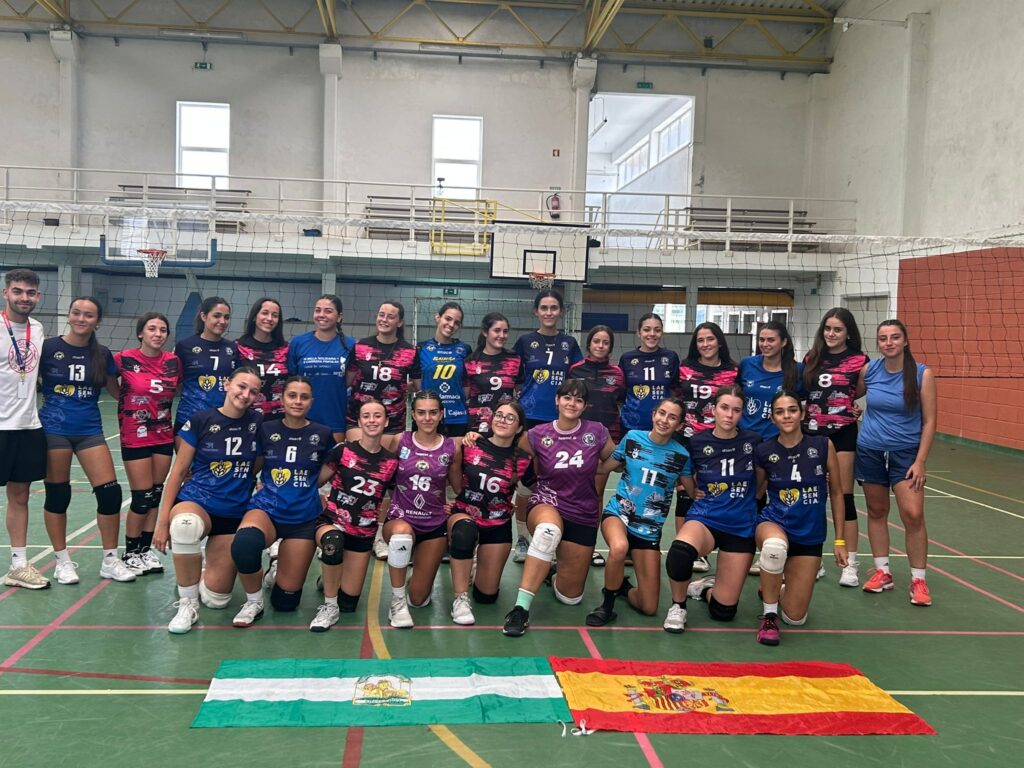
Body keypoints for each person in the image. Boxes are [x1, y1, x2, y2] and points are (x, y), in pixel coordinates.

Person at [500, 379, 616, 637]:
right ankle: (520, 609)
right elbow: (505, 449)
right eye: (567, 397)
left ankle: (549, 572)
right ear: (557, 400)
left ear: (585, 406)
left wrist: (608, 466)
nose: (572, 403)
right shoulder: (536, 434)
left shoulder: (596, 431)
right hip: (548, 501)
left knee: (570, 597)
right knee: (547, 532)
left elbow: (616, 460)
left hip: (583, 511)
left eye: (578, 400)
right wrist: (475, 439)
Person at [152, 367, 263, 634]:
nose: (245, 394)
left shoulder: (258, 424)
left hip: (233, 511)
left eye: (253, 391)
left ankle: (198, 573)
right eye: (241, 386)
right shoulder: (201, 420)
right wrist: (162, 523)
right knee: (185, 525)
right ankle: (187, 604)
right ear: (227, 384)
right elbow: (178, 472)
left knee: (217, 599)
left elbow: (257, 465)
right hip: (197, 500)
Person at [38, 297, 132, 584]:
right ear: (69, 316)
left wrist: (151, 399)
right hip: (54, 429)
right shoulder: (48, 348)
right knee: (58, 495)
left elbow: (117, 391)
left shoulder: (102, 354)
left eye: (88, 315)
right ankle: (62, 561)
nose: (81, 319)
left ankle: (110, 560)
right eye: (76, 313)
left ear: (97, 322)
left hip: (89, 430)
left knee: (110, 493)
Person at [229, 376, 334, 627]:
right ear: (282, 399)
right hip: (267, 509)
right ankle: (254, 601)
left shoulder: (322, 433)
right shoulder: (266, 429)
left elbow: (331, 466)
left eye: (304, 397)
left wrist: (311, 488)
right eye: (292, 396)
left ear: (311, 402)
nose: (298, 401)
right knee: (245, 544)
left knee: (285, 603)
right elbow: (254, 465)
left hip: (303, 517)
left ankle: (277, 569)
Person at [662, 384, 759, 634]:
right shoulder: (696, 443)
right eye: (724, 408)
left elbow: (771, 473)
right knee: (680, 553)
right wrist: (690, 489)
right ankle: (678, 606)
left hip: (740, 526)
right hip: (706, 518)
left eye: (736, 410)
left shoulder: (754, 441)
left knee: (723, 612)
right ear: (713, 410)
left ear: (742, 413)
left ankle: (704, 588)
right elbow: (682, 475)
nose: (729, 414)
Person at [586, 398, 690, 626]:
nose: (665, 420)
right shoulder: (633, 438)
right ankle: (607, 606)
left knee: (649, 607)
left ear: (680, 425)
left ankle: (623, 587)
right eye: (661, 413)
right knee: (619, 547)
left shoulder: (681, 456)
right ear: (653, 414)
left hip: (649, 530)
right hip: (619, 514)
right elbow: (604, 468)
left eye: (672, 417)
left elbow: (692, 490)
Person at [753, 391, 846, 645]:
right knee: (774, 547)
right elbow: (757, 492)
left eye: (792, 410)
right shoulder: (764, 450)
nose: (787, 416)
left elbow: (837, 493)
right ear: (772, 418)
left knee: (795, 617)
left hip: (810, 533)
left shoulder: (823, 445)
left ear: (802, 413)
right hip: (774, 522)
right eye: (780, 412)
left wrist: (840, 541)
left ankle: (775, 587)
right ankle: (769, 616)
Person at [856, 320, 937, 607]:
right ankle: (883, 572)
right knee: (877, 511)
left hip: (906, 453)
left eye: (894, 337)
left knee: (913, 514)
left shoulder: (922, 374)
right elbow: (850, 396)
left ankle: (918, 579)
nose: (888, 343)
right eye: (883, 338)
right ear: (878, 343)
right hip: (870, 449)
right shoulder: (869, 371)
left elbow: (930, 421)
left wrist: (920, 461)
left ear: (905, 341)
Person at [308, 399, 398, 632]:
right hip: (333, 524)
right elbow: (315, 482)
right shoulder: (343, 451)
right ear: (359, 421)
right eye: (366, 416)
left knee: (349, 604)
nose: (372, 420)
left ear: (386, 421)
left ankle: (329, 577)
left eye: (377, 416)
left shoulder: (391, 462)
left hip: (363, 532)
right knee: (333, 543)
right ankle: (329, 606)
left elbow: (397, 497)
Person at [510, 290, 583, 562]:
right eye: (544, 308)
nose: (549, 312)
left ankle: (550, 537)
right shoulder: (525, 342)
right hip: (530, 417)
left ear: (561, 311)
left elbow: (577, 382)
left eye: (554, 308)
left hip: (561, 421)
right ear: (536, 311)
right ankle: (522, 538)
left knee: (555, 479)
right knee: (526, 481)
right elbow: (515, 378)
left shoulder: (569, 343)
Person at [447, 401, 531, 625]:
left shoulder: (523, 459)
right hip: (465, 515)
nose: (503, 420)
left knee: (486, 596)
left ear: (519, 428)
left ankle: (476, 565)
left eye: (510, 418)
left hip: (497, 523)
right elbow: (442, 470)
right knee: (464, 534)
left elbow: (537, 488)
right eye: (499, 415)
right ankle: (460, 598)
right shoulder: (471, 444)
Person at [381, 390, 460, 628]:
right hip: (401, 519)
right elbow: (384, 477)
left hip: (433, 524)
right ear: (413, 415)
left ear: (441, 414)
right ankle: (396, 602)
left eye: (433, 412)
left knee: (418, 599)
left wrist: (455, 507)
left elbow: (459, 487)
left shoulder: (451, 447)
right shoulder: (400, 440)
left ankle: (414, 578)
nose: (427, 418)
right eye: (422, 412)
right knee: (402, 535)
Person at [803, 308, 869, 587]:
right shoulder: (812, 357)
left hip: (843, 432)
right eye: (828, 328)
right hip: (812, 432)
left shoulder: (860, 360)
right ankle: (813, 560)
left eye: (838, 329)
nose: (831, 333)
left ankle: (850, 563)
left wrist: (848, 406)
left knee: (844, 496)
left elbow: (859, 391)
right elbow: (805, 392)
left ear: (848, 332)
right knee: (814, 497)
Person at [116, 312, 181, 576]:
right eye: (152, 329)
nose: (158, 334)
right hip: (135, 434)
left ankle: (144, 550)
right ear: (141, 332)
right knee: (141, 497)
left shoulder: (173, 362)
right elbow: (109, 381)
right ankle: (131, 552)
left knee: (155, 493)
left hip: (163, 434)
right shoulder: (124, 359)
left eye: (163, 330)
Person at [738, 320, 804, 576]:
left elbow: (806, 403)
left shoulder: (795, 371)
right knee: (749, 496)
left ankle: (780, 550)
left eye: (771, 340)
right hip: (746, 441)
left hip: (778, 444)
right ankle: (750, 548)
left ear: (783, 342)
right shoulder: (747, 365)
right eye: (762, 340)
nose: (765, 344)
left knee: (777, 496)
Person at [674, 321, 738, 568]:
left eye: (710, 339)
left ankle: (713, 546)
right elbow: (675, 397)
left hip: (719, 442)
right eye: (700, 340)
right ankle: (686, 550)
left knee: (712, 492)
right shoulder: (684, 368)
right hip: (688, 440)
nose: (705, 344)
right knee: (685, 492)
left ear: (719, 341)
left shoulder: (733, 370)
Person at [1, 269, 50, 589]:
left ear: (38, 296)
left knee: (20, 496)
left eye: (30, 293)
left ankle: (18, 565)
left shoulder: (38, 329)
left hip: (27, 425)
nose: (24, 298)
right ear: (6, 293)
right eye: (18, 291)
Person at [568, 325, 624, 566]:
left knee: (595, 494)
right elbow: (569, 404)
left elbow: (622, 403)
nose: (600, 346)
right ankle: (570, 542)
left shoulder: (618, 373)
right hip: (577, 440)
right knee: (573, 492)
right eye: (596, 341)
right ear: (589, 343)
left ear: (610, 347)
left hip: (605, 441)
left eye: (605, 342)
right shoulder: (575, 370)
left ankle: (588, 546)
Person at [286, 294, 355, 443]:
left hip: (334, 418)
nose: (321, 315)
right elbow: (290, 380)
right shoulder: (298, 342)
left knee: (332, 458)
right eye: (318, 310)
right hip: (301, 417)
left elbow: (350, 381)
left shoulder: (351, 345)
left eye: (328, 311)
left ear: (339, 317)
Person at [347, 301, 421, 438]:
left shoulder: (410, 351)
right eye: (381, 315)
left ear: (400, 323)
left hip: (393, 422)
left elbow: (419, 387)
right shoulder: (360, 346)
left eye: (390, 317)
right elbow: (347, 382)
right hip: (360, 419)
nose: (384, 319)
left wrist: (403, 387)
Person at [173, 296, 237, 434]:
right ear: (203, 316)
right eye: (217, 316)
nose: (222, 321)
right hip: (189, 418)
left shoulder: (233, 348)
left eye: (226, 317)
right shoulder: (185, 346)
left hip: (222, 419)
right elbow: (177, 382)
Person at [417, 301, 472, 438]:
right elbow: (415, 381)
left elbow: (467, 383)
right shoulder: (421, 348)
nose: (451, 325)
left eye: (457, 322)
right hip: (428, 417)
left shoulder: (464, 349)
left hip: (457, 416)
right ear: (438, 317)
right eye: (448, 318)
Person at [619, 313, 679, 433]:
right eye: (647, 330)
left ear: (662, 333)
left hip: (662, 426)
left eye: (657, 330)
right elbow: (621, 392)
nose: (652, 334)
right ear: (639, 332)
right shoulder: (627, 358)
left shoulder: (671, 357)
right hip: (632, 426)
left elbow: (676, 389)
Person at [464, 312, 522, 437]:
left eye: (505, 331)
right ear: (485, 332)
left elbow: (520, 394)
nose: (502, 335)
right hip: (478, 426)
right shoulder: (471, 362)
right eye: (497, 330)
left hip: (505, 424)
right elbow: (465, 396)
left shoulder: (515, 360)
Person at [236, 297, 290, 421]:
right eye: (265, 313)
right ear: (255, 317)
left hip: (279, 418)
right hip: (247, 417)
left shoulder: (286, 349)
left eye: (275, 315)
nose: (269, 318)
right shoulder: (238, 347)